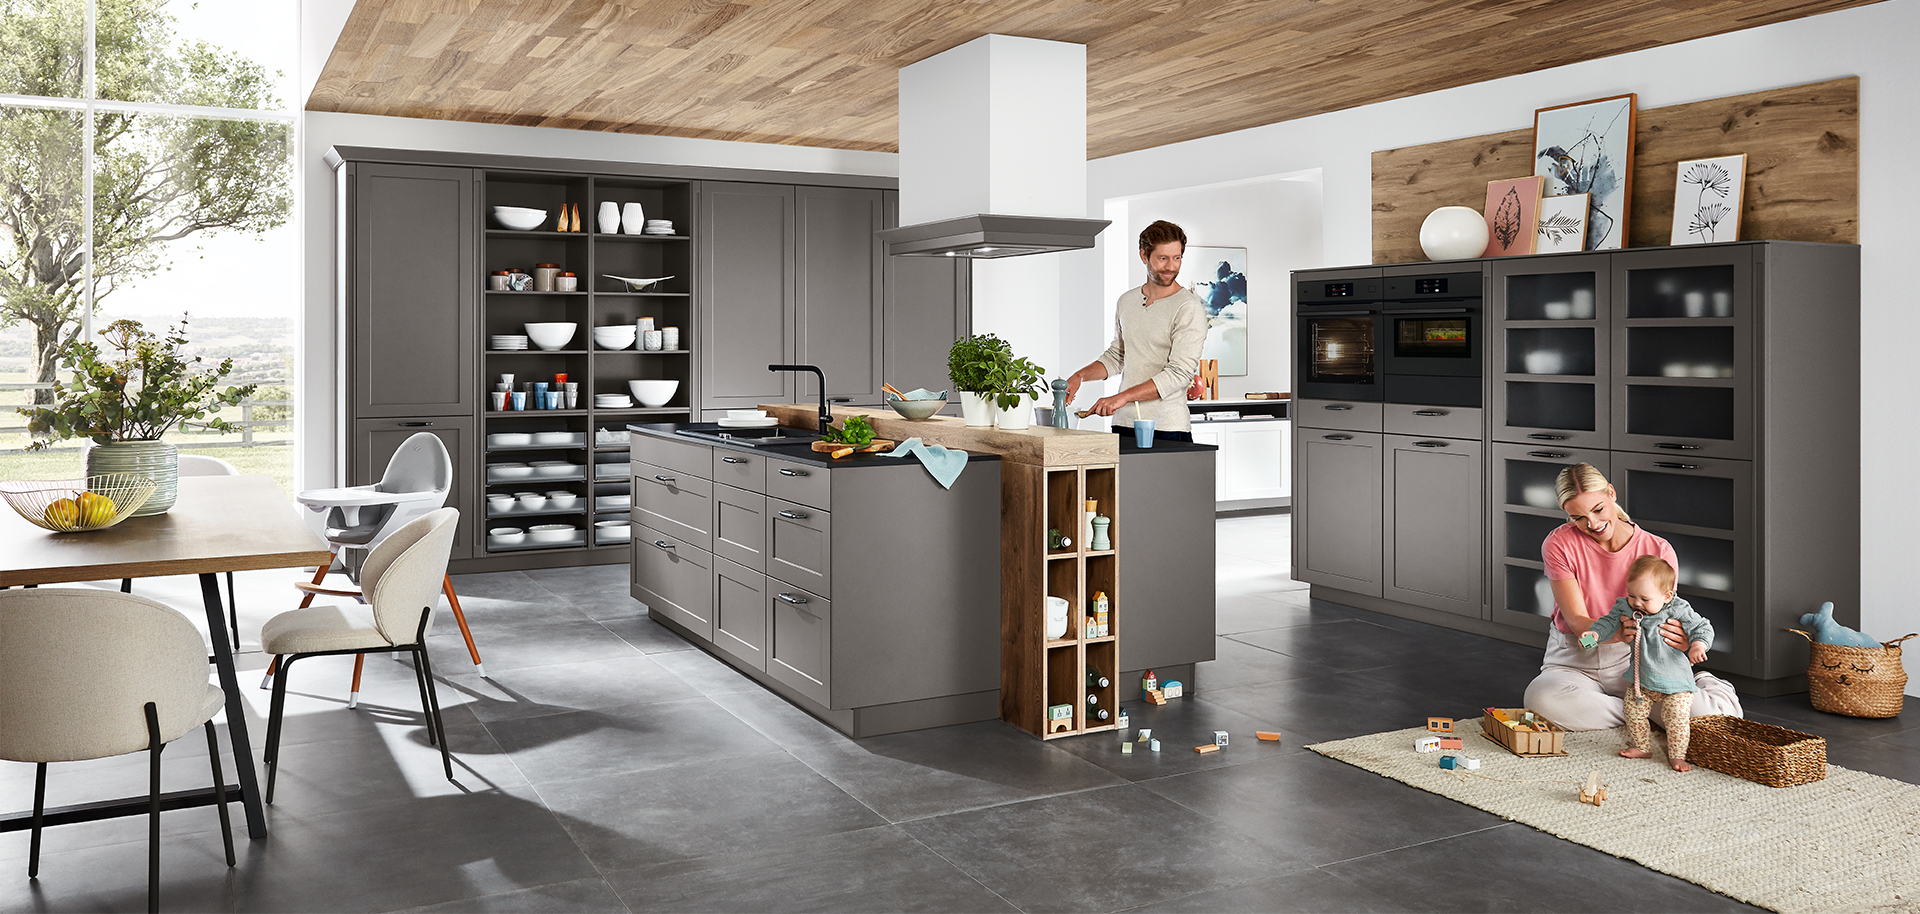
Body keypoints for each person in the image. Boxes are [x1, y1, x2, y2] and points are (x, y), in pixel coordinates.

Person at [1521, 463, 1743, 730]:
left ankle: (1703, 686)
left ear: (1611, 493)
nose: (1592, 524)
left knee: (1708, 722)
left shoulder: (1657, 549)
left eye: (1598, 509)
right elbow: (1578, 621)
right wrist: (1614, 634)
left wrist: (1684, 639)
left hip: (1641, 659)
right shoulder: (1559, 543)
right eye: (1577, 517)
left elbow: (1665, 616)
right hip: (1574, 661)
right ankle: (1641, 713)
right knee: (1541, 700)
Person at [1063, 220, 1207, 442]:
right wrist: (1079, 376)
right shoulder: (1127, 301)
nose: (1171, 266)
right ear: (1144, 256)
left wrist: (1121, 398)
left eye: (1176, 258)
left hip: (1167, 428)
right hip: (1124, 424)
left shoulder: (1188, 307)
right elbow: (1117, 356)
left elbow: (1179, 374)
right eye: (1163, 258)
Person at [1581, 556, 1713, 771]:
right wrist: (1592, 635)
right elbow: (1607, 622)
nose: (1637, 603)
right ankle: (1643, 747)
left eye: (1644, 598)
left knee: (1677, 720)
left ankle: (1677, 755)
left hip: (1676, 683)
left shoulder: (1677, 608)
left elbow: (1702, 627)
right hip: (1641, 681)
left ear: (1667, 595)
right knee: (1632, 713)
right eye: (1632, 595)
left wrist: (1698, 645)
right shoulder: (1626, 607)